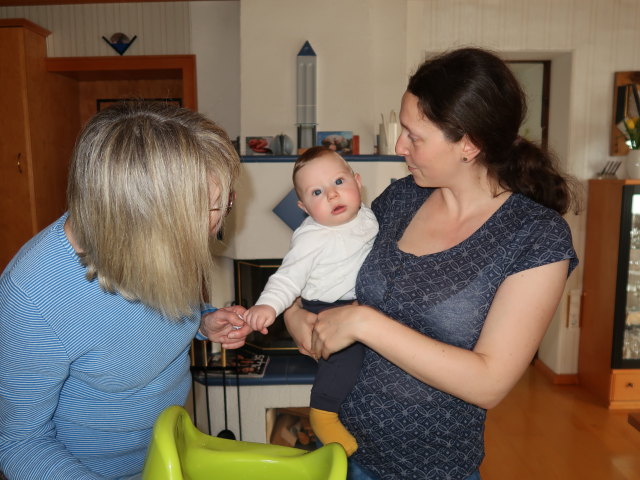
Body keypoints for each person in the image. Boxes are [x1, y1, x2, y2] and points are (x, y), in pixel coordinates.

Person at [284, 47, 579, 480]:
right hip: (343, 453)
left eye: (414, 136)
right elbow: (321, 266)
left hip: (434, 470)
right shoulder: (399, 199)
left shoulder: (534, 237)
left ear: (469, 144)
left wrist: (364, 323)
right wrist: (293, 314)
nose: (400, 145)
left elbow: (490, 382)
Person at [0, 101, 252, 480]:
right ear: (144, 218)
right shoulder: (32, 297)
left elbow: (149, 319)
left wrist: (202, 321)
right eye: (217, 208)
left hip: (168, 454)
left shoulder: (164, 242)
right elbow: (19, 444)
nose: (219, 225)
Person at [243, 147, 378, 455]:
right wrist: (269, 306)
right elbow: (287, 277)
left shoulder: (368, 216)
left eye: (339, 182)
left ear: (358, 182)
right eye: (318, 192)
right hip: (326, 308)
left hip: (359, 304)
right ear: (304, 207)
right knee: (342, 359)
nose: (332, 195)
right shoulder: (311, 238)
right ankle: (322, 412)